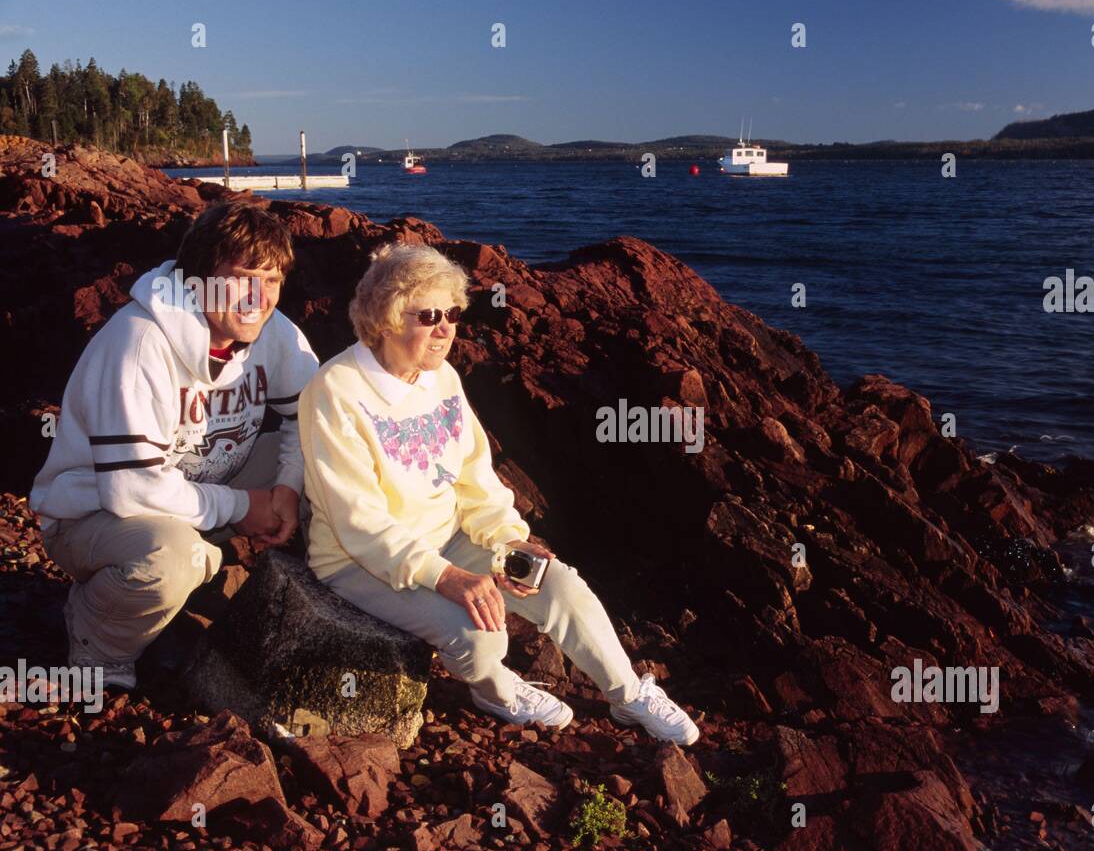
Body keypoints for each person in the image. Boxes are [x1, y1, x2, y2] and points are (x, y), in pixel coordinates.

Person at [299, 243, 699, 745]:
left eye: (452, 314)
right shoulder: (334, 391)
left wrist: (508, 539)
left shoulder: (441, 378)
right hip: (359, 562)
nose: (445, 328)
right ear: (386, 318)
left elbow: (474, 476)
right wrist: (447, 577)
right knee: (482, 636)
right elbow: (358, 522)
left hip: (448, 538)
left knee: (559, 584)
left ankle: (628, 695)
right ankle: (494, 691)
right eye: (429, 316)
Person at [31, 201, 320, 689]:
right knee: (171, 560)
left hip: (201, 489)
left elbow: (312, 419)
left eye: (272, 279)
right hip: (93, 515)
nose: (259, 296)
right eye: (243, 278)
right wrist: (241, 506)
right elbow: (132, 490)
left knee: (328, 467)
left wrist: (288, 488)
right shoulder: (139, 342)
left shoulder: (272, 333)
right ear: (198, 279)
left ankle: (320, 615)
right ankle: (97, 639)